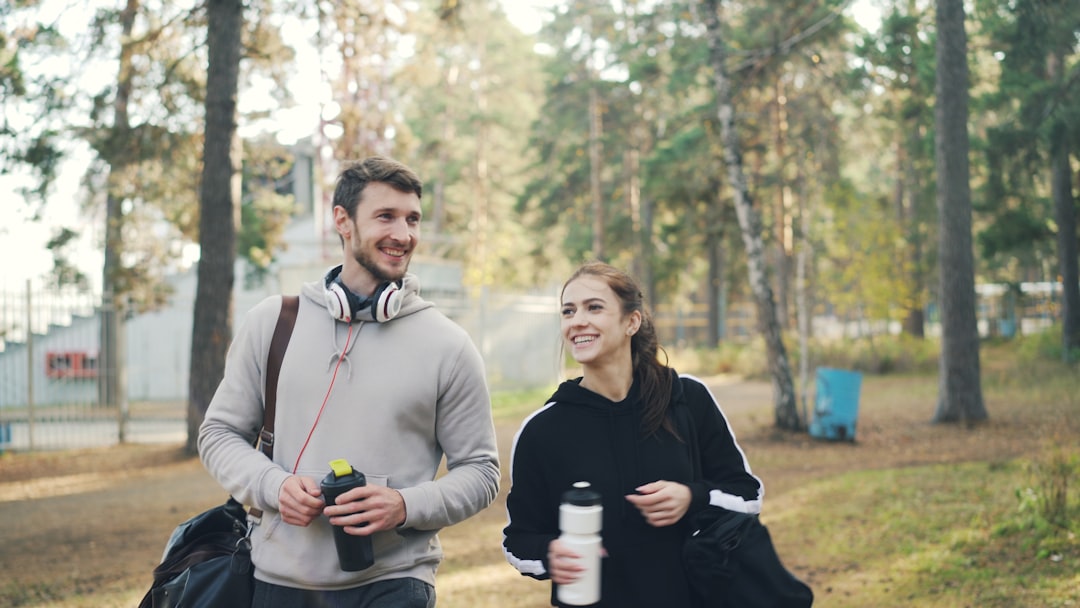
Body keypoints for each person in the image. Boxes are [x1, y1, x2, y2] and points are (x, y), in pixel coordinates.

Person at [199, 156, 500, 607]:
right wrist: (273, 485)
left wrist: (406, 505)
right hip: (278, 581)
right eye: (386, 216)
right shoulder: (272, 323)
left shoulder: (449, 345)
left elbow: (481, 471)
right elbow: (218, 434)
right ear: (342, 221)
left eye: (412, 219)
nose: (404, 235)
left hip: (396, 583)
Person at [501, 261, 763, 607]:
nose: (577, 320)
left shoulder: (687, 399)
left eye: (594, 307)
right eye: (568, 311)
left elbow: (748, 495)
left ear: (631, 322)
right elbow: (518, 541)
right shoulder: (542, 431)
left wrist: (692, 497)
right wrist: (550, 553)